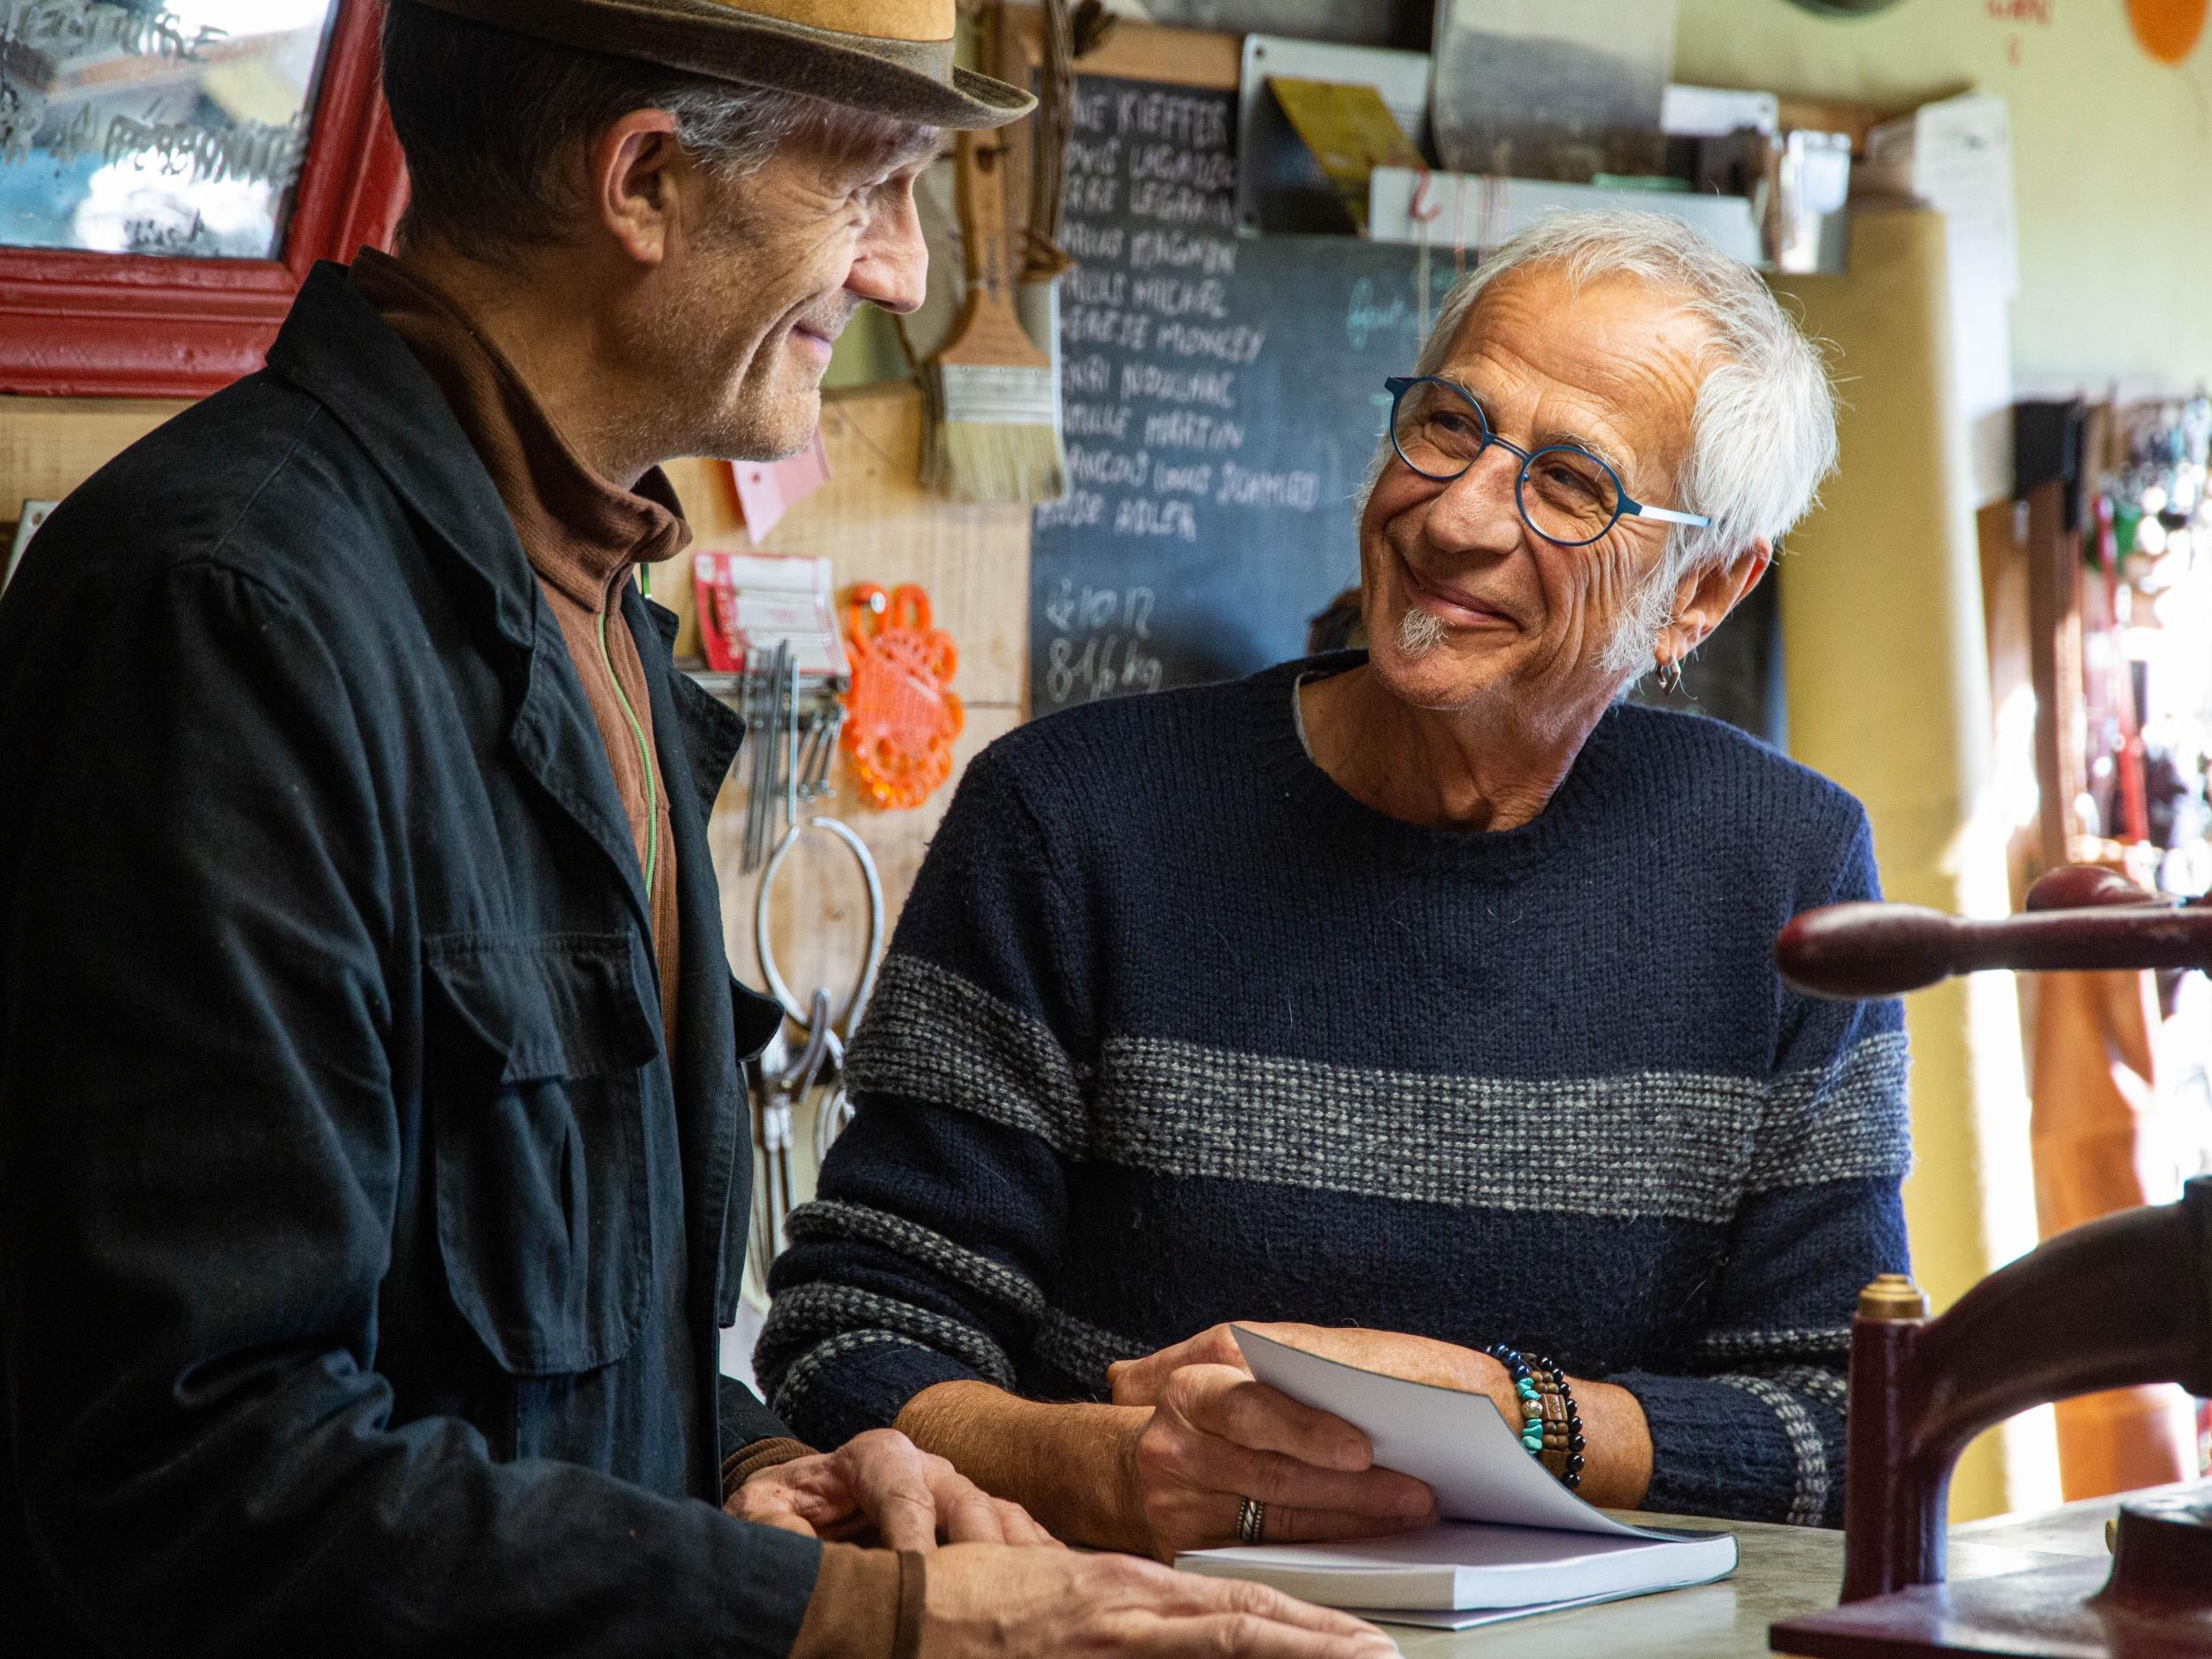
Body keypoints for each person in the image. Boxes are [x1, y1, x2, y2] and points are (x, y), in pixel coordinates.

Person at [0, 4, 1394, 1656]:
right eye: (869, 189)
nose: (902, 274)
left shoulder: (596, 608)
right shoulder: (223, 618)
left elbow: (538, 1365)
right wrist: (875, 1620)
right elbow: (195, 1467)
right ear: (646, 180)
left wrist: (759, 1472)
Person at [760, 211, 1911, 1559]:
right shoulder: (1073, 815)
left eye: (1571, 485)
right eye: (1448, 425)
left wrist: (1518, 1417)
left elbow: (1853, 1431)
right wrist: (1100, 1472)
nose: (1457, 517)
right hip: (1137, 1625)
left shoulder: (1785, 867)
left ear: (1704, 589)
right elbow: (851, 1334)